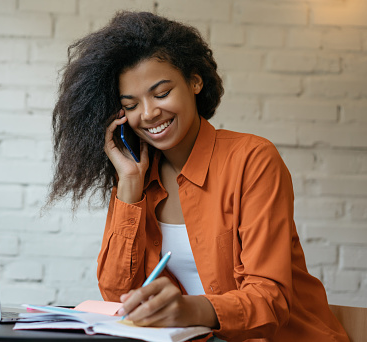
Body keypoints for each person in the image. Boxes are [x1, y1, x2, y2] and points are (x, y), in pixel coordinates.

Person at [47, 11, 349, 342]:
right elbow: (117, 295)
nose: (148, 113)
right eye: (131, 105)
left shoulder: (252, 159)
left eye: (161, 93)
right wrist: (129, 189)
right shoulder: (137, 179)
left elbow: (270, 300)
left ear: (194, 81)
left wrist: (188, 310)